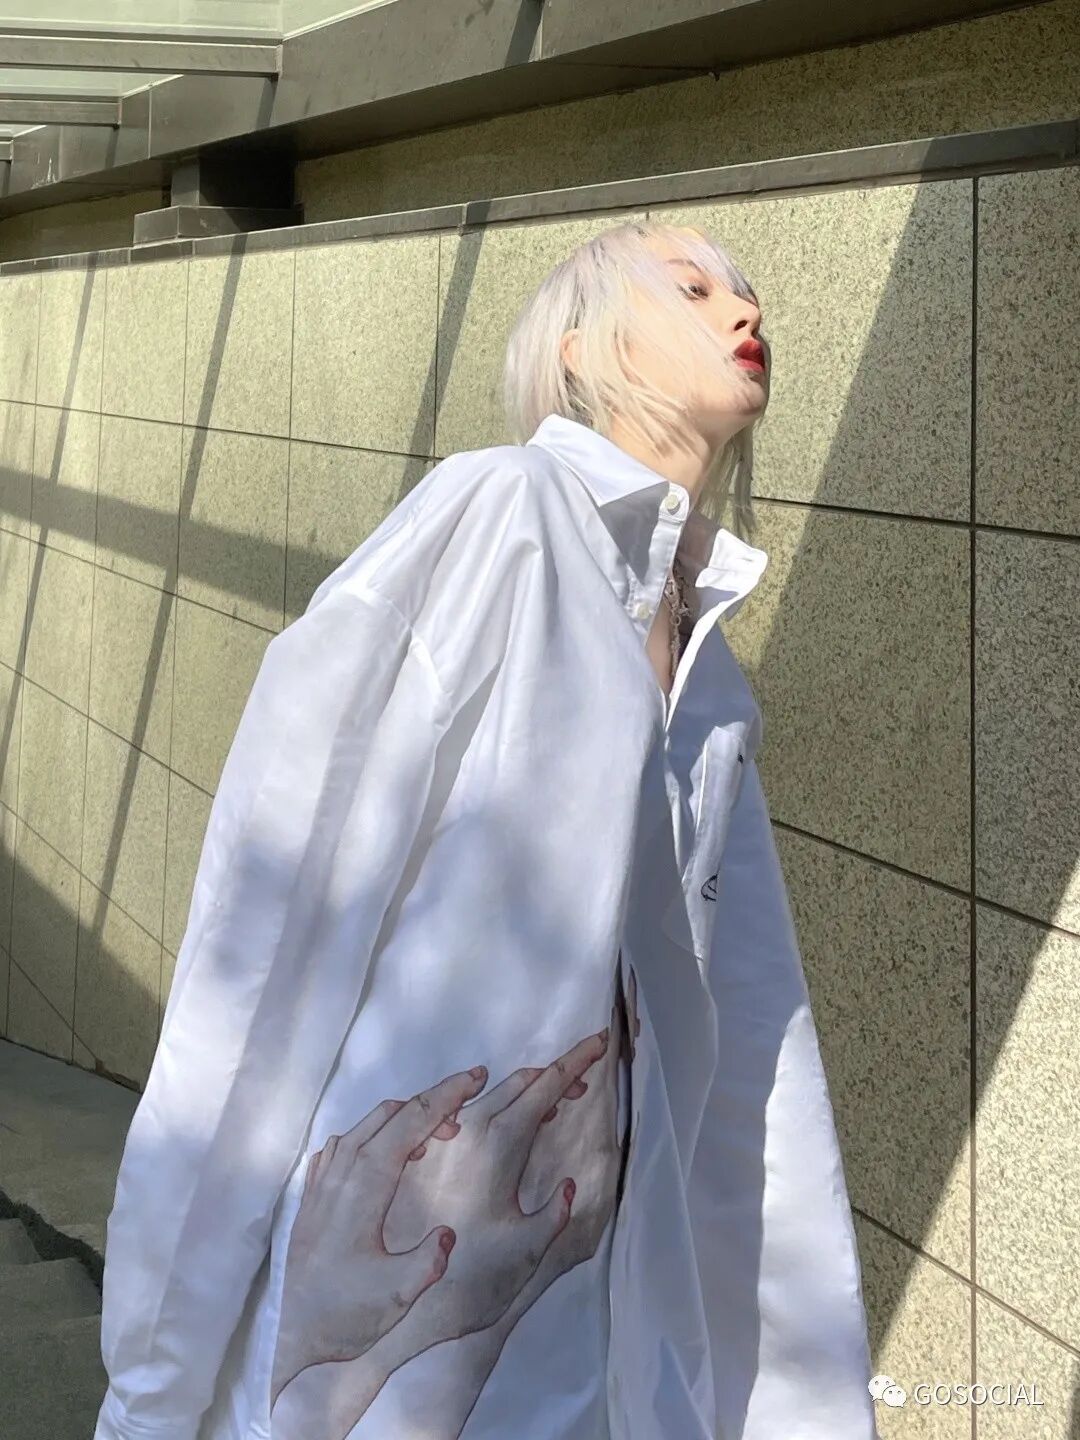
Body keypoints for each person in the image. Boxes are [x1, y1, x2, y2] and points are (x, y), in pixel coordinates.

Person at [93, 219, 878, 1440]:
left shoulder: (707, 668)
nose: (744, 311)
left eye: (746, 291)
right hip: (378, 1327)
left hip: (588, 1344)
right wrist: (152, 1389)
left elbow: (742, 1054)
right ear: (581, 344)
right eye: (691, 287)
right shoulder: (499, 514)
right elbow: (277, 924)